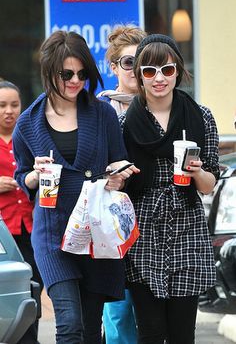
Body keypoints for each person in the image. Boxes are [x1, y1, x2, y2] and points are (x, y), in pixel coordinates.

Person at [12, 30, 139, 344]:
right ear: (48, 71)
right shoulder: (27, 123)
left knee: (92, 329)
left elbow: (118, 160)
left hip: (95, 234)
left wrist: (118, 174)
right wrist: (34, 176)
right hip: (53, 235)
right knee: (69, 324)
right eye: (66, 73)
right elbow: (22, 176)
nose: (75, 81)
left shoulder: (102, 114)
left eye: (82, 73)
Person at [119, 34, 220, 344]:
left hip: (187, 226)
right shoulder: (125, 124)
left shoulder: (200, 117)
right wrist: (118, 176)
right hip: (143, 230)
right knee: (149, 332)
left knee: (181, 334)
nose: (159, 78)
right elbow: (116, 184)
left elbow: (209, 184)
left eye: (167, 69)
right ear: (139, 76)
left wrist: (197, 170)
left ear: (178, 71)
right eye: (149, 71)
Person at [98, 25, 146, 344]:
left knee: (153, 317)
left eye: (142, 60)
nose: (136, 69)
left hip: (153, 223)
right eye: (128, 62)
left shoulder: (164, 106)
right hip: (111, 225)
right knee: (117, 314)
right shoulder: (99, 111)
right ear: (114, 67)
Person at [0, 80, 43, 344]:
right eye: (2, 105)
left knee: (32, 289)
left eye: (14, 105)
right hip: (3, 233)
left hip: (32, 226)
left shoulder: (30, 135)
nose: (9, 111)